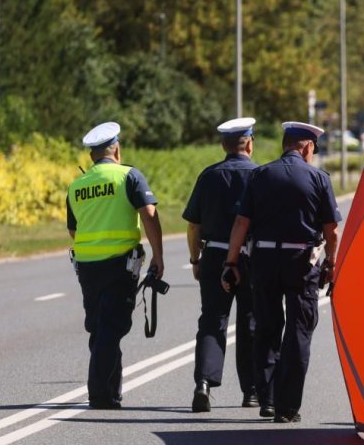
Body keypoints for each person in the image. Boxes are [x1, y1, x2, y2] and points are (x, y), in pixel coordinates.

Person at [223, 121, 341, 424]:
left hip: (263, 259)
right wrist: (331, 263)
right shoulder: (318, 178)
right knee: (299, 330)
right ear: (307, 147)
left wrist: (231, 262)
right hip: (302, 262)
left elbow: (241, 224)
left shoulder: (260, 174)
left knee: (266, 327)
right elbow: (332, 231)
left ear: (285, 144)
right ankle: (288, 407)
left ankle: (269, 400)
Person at [66, 121, 164, 409]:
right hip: (119, 265)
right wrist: (158, 257)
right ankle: (98, 392)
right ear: (117, 149)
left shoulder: (77, 185)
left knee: (100, 327)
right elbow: (149, 214)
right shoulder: (128, 176)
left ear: (91, 156)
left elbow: (74, 229)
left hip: (86, 266)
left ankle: (111, 391)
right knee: (112, 327)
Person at [184, 117, 260, 412]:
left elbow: (193, 226)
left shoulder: (209, 176)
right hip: (251, 257)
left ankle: (203, 383)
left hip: (215, 256)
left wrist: (195, 259)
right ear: (250, 144)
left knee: (212, 320)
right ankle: (251, 391)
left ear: (223, 146)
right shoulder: (260, 175)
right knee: (250, 321)